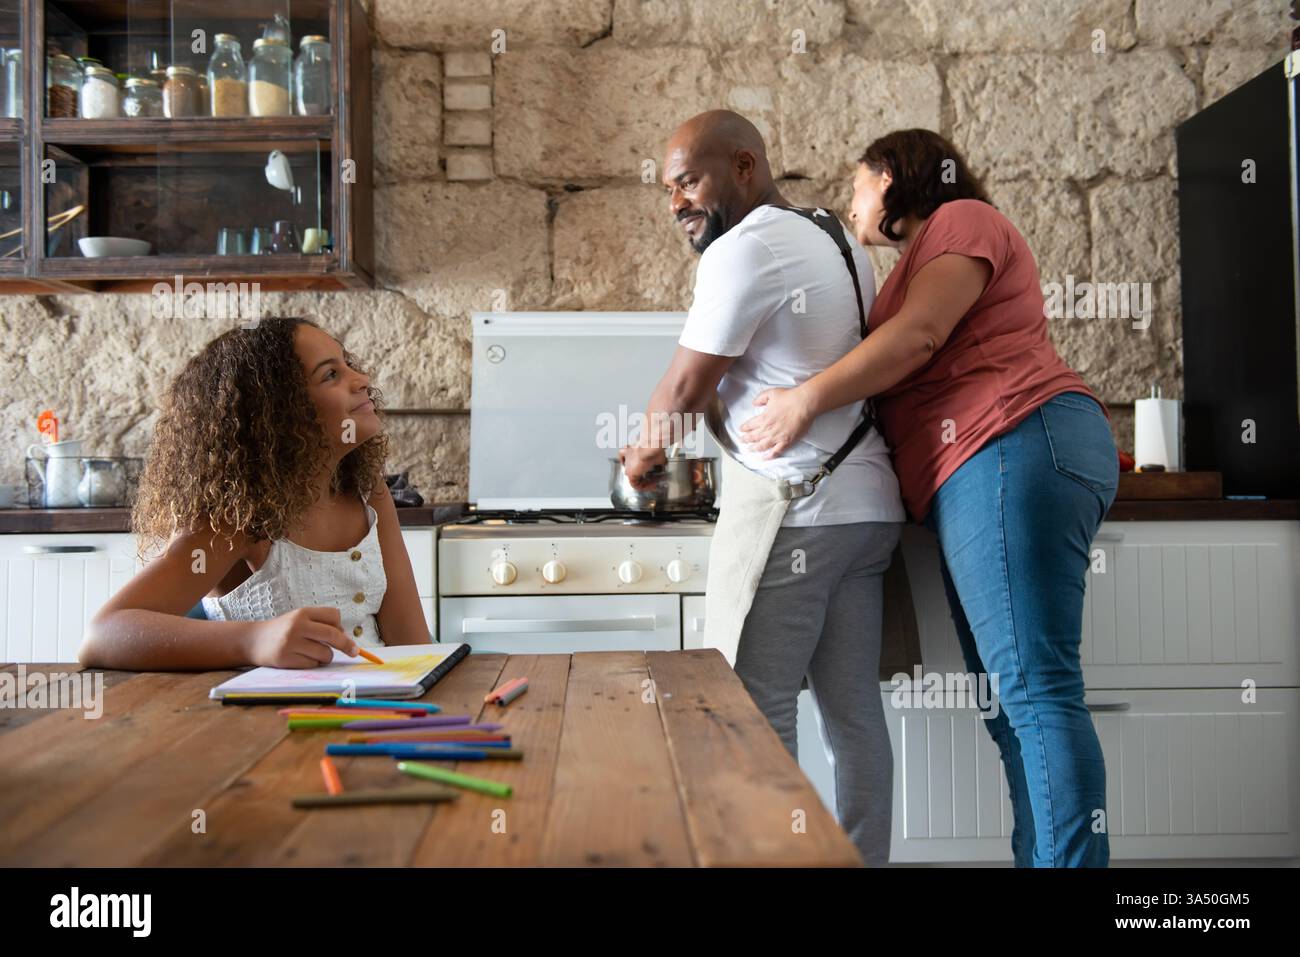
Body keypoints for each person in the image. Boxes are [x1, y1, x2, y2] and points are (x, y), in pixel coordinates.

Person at [738, 129, 1118, 867]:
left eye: (856, 187)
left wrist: (804, 401)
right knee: (1013, 706)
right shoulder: (916, 260)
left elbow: (918, 338)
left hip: (1011, 442)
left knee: (1035, 695)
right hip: (990, 462)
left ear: (890, 176)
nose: (852, 205)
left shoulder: (962, 219)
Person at [620, 110, 905, 865]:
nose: (675, 203)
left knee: (750, 708)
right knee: (852, 716)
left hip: (799, 513)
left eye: (688, 181)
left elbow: (685, 385)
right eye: (667, 189)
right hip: (867, 508)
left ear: (745, 167)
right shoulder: (838, 239)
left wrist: (640, 454)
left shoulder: (744, 251)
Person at [79, 316, 431, 671]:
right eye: (330, 375)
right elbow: (104, 634)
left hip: (379, 708)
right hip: (273, 721)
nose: (362, 380)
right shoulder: (240, 517)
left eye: (347, 366)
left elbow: (412, 644)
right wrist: (253, 640)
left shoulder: (369, 493)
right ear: (280, 412)